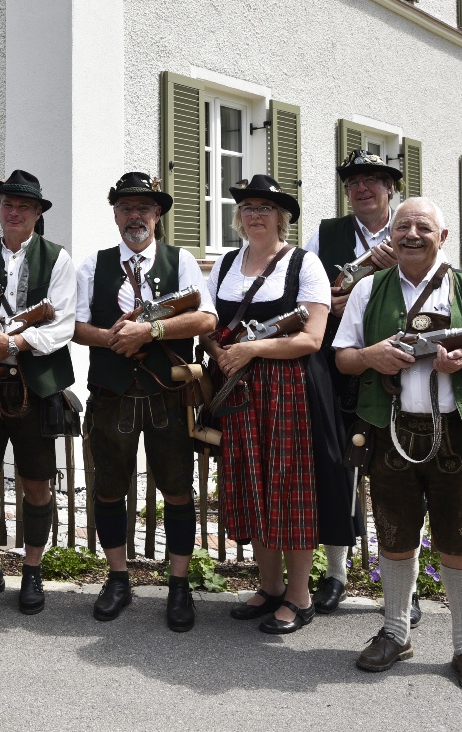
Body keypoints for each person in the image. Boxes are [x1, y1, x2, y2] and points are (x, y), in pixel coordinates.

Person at [334, 197, 462, 696]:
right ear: (390, 235)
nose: (411, 234)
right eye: (402, 227)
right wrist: (371, 356)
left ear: (443, 236)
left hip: (457, 433)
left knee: (459, 543)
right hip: (389, 429)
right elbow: (343, 357)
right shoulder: (368, 287)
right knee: (395, 537)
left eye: (422, 227)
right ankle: (396, 634)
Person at [73, 172, 215, 632]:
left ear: (157, 215)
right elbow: (75, 327)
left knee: (177, 490)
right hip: (111, 394)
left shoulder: (182, 261)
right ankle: (118, 579)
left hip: (167, 396)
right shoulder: (93, 265)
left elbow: (206, 319)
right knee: (109, 489)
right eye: (126, 208)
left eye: (144, 208)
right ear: (115, 215)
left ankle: (179, 585)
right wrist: (116, 339)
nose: (135, 216)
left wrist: (149, 331)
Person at [202, 174, 331, 635]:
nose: (255, 214)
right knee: (250, 485)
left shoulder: (304, 263)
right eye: (248, 207)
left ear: (282, 217)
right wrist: (220, 352)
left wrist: (251, 350)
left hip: (286, 389)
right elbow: (207, 323)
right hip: (237, 389)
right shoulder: (225, 264)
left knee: (288, 488)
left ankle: (300, 596)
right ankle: (270, 586)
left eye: (265, 208)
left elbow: (312, 338)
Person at [0, 170, 77, 615]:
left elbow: (62, 326)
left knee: (37, 482)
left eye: (23, 206)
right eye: (8, 204)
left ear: (37, 213)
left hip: (34, 387)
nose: (14, 212)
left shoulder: (58, 259)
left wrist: (11, 344)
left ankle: (32, 570)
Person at [303, 149, 408, 619]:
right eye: (353, 182)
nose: (361, 189)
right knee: (336, 471)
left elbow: (436, 288)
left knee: (398, 480)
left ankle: (403, 588)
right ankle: (336, 575)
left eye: (372, 180)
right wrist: (332, 303)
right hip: (338, 368)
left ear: (391, 188)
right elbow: (304, 292)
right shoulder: (325, 234)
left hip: (399, 368)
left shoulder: (413, 230)